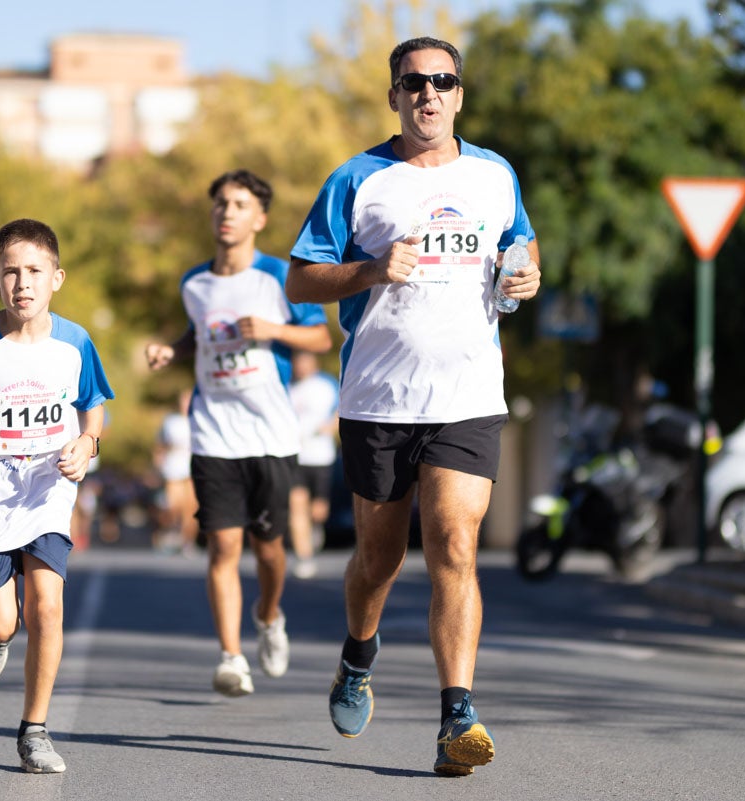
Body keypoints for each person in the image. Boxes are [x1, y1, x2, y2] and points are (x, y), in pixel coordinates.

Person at [287, 37, 542, 776]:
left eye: (443, 81)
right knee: (379, 556)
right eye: (414, 82)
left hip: (468, 395)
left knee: (455, 545)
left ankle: (456, 713)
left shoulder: (495, 175)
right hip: (378, 398)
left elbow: (522, 248)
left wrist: (524, 276)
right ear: (394, 95)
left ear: (460, 94)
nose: (429, 93)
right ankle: (358, 655)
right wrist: (369, 269)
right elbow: (302, 280)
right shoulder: (359, 179)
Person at [0, 218, 113, 774]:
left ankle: (34, 731)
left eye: (34, 271)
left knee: (48, 608)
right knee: (3, 623)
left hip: (47, 493)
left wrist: (87, 442)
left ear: (57, 277)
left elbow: (95, 404)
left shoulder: (75, 342)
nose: (23, 283)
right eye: (10, 272)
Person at [145, 169, 332, 697]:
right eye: (221, 204)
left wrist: (273, 330)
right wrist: (172, 351)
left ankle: (269, 617)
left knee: (269, 548)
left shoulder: (279, 276)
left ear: (260, 218)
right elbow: (197, 333)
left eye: (240, 204)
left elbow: (319, 337)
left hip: (271, 434)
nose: (227, 212)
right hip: (213, 433)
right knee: (223, 545)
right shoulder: (194, 283)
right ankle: (231, 657)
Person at [287, 349, 339, 579]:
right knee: (296, 505)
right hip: (294, 455)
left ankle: (314, 528)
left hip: (320, 456)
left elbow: (342, 411)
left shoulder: (326, 384)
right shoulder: (287, 387)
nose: (301, 366)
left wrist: (329, 427)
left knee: (318, 511)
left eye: (305, 361)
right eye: (297, 362)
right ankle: (303, 555)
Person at [153, 388, 198, 556]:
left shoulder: (199, 419)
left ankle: (188, 542)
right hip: (173, 468)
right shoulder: (171, 421)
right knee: (173, 506)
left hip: (193, 469)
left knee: (191, 508)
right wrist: (158, 461)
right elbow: (160, 443)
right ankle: (169, 532)